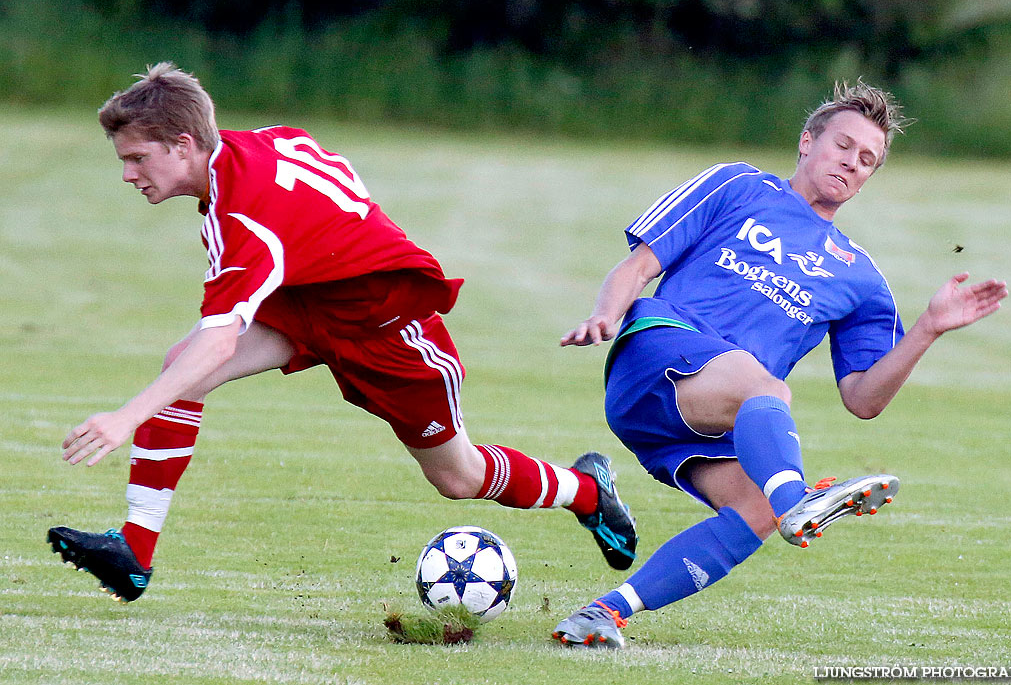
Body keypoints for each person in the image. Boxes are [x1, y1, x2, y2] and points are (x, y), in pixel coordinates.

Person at [48, 62, 637, 602]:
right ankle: (135, 553)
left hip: (389, 333)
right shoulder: (249, 152)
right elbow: (317, 162)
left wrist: (125, 417)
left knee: (457, 478)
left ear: (184, 144)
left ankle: (586, 491)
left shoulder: (248, 215)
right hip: (310, 308)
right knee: (183, 366)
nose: (127, 174)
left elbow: (221, 337)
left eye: (137, 158)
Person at [552, 80, 1007, 648]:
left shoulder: (862, 280)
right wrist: (604, 314)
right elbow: (640, 264)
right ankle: (800, 502)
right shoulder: (738, 185)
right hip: (658, 352)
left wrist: (928, 329)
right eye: (843, 145)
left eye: (867, 160)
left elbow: (864, 399)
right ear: (806, 141)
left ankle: (602, 614)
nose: (852, 163)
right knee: (765, 390)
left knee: (756, 509)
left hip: (700, 416)